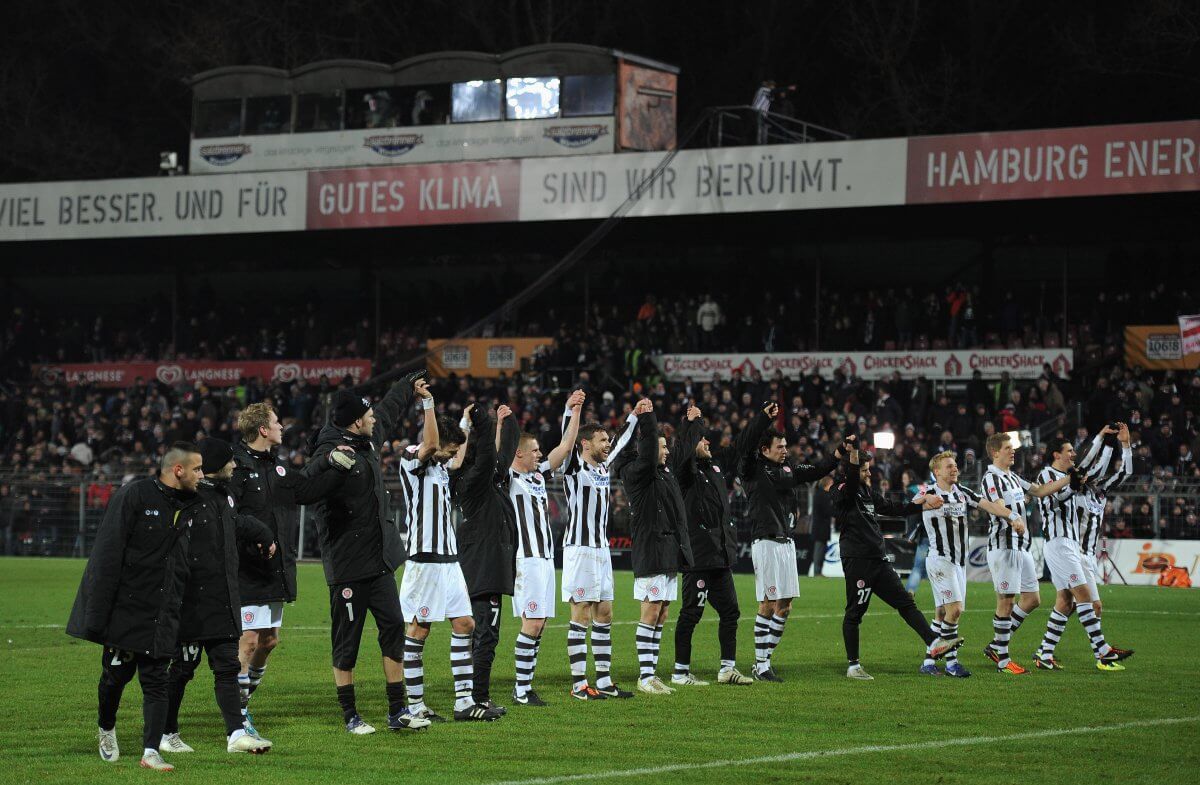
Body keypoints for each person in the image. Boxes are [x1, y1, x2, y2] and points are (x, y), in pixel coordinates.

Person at [66, 442, 207, 771]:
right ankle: (106, 728)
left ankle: (150, 751)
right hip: (127, 609)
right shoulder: (135, 496)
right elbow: (108, 554)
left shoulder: (193, 505)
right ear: (178, 470)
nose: (202, 475)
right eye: (198, 468)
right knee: (114, 677)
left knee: (157, 681)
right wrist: (97, 616)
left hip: (163, 609)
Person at [307, 372, 433, 734]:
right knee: (347, 642)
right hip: (348, 565)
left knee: (393, 627)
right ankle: (350, 715)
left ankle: (398, 711)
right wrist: (329, 462)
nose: (374, 417)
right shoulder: (330, 451)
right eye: (368, 414)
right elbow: (309, 487)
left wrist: (407, 387)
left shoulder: (366, 442)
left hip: (379, 561)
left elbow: (388, 410)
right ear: (356, 421)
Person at [230, 401, 352, 733]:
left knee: (269, 640)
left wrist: (334, 466)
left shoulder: (279, 468)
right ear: (262, 430)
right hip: (247, 568)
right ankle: (238, 717)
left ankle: (239, 700)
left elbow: (308, 491)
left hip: (276, 568)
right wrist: (258, 534)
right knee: (249, 641)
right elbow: (228, 516)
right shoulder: (237, 468)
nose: (282, 427)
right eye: (276, 422)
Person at [163, 439, 289, 755]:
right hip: (193, 605)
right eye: (230, 462)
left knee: (226, 669)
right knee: (182, 670)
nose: (235, 466)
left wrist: (264, 534)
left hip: (222, 601)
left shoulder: (224, 498)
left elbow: (237, 524)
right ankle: (166, 732)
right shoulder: (188, 502)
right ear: (217, 466)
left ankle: (235, 734)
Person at [398, 394, 503, 723]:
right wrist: (429, 403)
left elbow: (452, 456)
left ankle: (462, 703)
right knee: (419, 631)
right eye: (451, 449)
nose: (456, 458)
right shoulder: (411, 458)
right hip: (425, 560)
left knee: (465, 624)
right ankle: (415, 706)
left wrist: (465, 425)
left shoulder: (442, 465)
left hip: (449, 560)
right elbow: (431, 443)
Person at [834, 444, 962, 680]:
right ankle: (853, 666)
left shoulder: (867, 492)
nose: (869, 473)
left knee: (906, 603)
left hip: (879, 561)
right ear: (852, 470)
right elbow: (851, 482)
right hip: (858, 561)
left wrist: (922, 502)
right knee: (855, 613)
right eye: (864, 470)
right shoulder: (843, 489)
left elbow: (895, 508)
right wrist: (852, 458)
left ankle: (934, 642)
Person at [737, 401, 840, 682]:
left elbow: (816, 470)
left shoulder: (787, 470)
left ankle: (765, 660)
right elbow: (745, 447)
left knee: (785, 605)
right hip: (766, 542)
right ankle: (760, 665)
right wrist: (761, 419)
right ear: (764, 449)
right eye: (779, 447)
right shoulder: (751, 470)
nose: (785, 450)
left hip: (786, 542)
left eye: (785, 446)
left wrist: (837, 456)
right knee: (769, 603)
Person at [557, 397, 645, 700]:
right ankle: (579, 684)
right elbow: (565, 442)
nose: (607, 444)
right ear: (585, 443)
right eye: (601, 439)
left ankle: (605, 681)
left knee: (605, 614)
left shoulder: (604, 467)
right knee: (580, 614)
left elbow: (622, 442)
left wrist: (633, 415)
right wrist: (571, 411)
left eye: (607, 439)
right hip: (579, 550)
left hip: (601, 550)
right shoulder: (573, 465)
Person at [1035, 425, 1135, 670]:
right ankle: (1102, 652)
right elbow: (1065, 489)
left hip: (1074, 549)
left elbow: (1104, 468)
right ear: (1057, 454)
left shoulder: (1092, 488)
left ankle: (1044, 653)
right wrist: (1102, 439)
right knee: (1087, 599)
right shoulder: (1053, 477)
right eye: (1069, 451)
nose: (1074, 454)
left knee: (1066, 601)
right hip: (1065, 547)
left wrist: (1118, 443)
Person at [506, 390, 584, 706]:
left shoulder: (538, 475)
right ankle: (521, 690)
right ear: (518, 454)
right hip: (525, 559)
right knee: (533, 622)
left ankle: (526, 686)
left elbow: (565, 447)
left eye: (540, 450)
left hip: (545, 559)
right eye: (534, 450)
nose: (540, 454)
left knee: (541, 625)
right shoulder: (508, 478)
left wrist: (574, 410)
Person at [672, 406, 753, 686]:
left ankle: (727, 668)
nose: (708, 442)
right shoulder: (684, 473)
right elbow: (683, 453)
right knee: (691, 614)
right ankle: (680, 672)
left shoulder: (715, 468)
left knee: (731, 612)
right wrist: (691, 423)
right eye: (702, 439)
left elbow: (740, 445)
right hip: (698, 558)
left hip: (720, 558)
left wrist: (763, 419)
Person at [979, 432, 1072, 675]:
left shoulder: (1012, 477)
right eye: (1008, 448)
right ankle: (1003, 660)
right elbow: (997, 505)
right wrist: (1012, 518)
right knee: (1006, 601)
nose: (1013, 451)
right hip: (1004, 546)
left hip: (1022, 547)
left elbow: (1040, 491)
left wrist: (1069, 479)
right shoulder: (992, 478)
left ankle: (996, 645)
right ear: (995, 452)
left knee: (1032, 599)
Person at [618, 401, 693, 694]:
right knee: (649, 612)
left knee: (662, 613)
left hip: (668, 551)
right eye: (661, 447)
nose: (666, 452)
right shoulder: (637, 471)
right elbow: (646, 452)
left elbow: (683, 454)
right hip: (650, 549)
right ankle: (645, 676)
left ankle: (652, 674)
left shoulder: (664, 473)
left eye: (666, 447)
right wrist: (646, 418)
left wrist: (691, 426)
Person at [915, 452, 1011, 678]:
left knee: (942, 613)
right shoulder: (928, 491)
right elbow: (912, 501)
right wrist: (925, 499)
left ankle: (929, 660)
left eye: (955, 465)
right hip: (940, 561)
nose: (954, 469)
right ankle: (951, 663)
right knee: (955, 610)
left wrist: (1012, 515)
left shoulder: (962, 493)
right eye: (949, 466)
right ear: (937, 472)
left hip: (958, 564)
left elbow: (988, 505)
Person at [452, 402, 519, 715]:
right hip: (482, 566)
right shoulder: (472, 483)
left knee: (486, 635)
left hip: (491, 565)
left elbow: (502, 455)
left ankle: (478, 696)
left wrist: (508, 421)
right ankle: (476, 697)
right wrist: (481, 421)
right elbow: (491, 457)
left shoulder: (488, 479)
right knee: (484, 635)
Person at [810, 476, 834, 577]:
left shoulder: (820, 494)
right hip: (820, 528)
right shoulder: (822, 495)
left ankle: (819, 571)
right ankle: (817, 572)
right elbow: (828, 510)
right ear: (827, 484)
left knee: (822, 549)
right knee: (819, 550)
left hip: (821, 527)